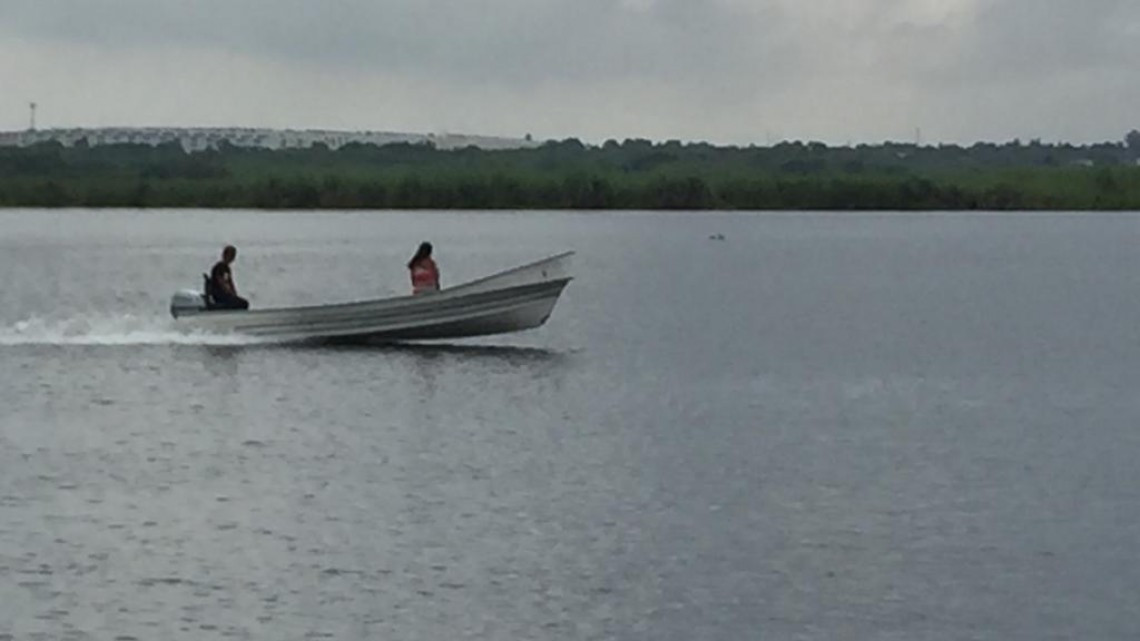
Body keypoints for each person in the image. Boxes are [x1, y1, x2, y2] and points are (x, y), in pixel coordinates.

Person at [208, 245, 250, 310]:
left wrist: (234, 293)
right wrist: (229, 292)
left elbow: (230, 282)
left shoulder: (227, 269)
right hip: (220, 295)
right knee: (242, 303)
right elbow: (221, 282)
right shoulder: (219, 267)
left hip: (226, 295)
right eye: (231, 256)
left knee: (243, 303)